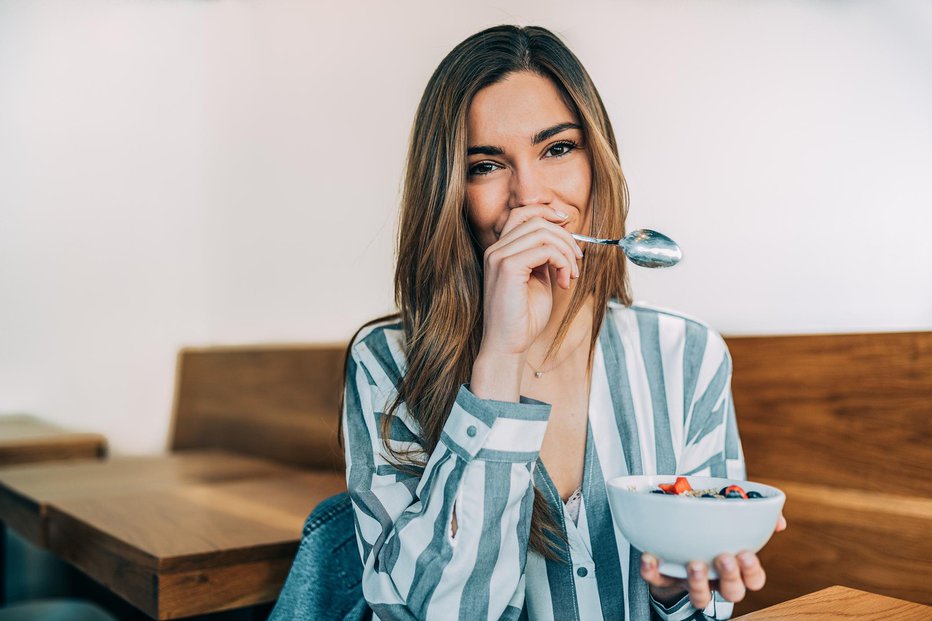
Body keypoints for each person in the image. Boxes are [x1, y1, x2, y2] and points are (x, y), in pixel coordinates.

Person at [341, 25, 784, 621]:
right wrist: (499, 358)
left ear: (597, 160)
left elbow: (703, 597)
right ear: (450, 193)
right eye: (486, 165)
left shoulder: (687, 354)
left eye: (557, 149)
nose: (530, 196)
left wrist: (679, 592)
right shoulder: (385, 361)